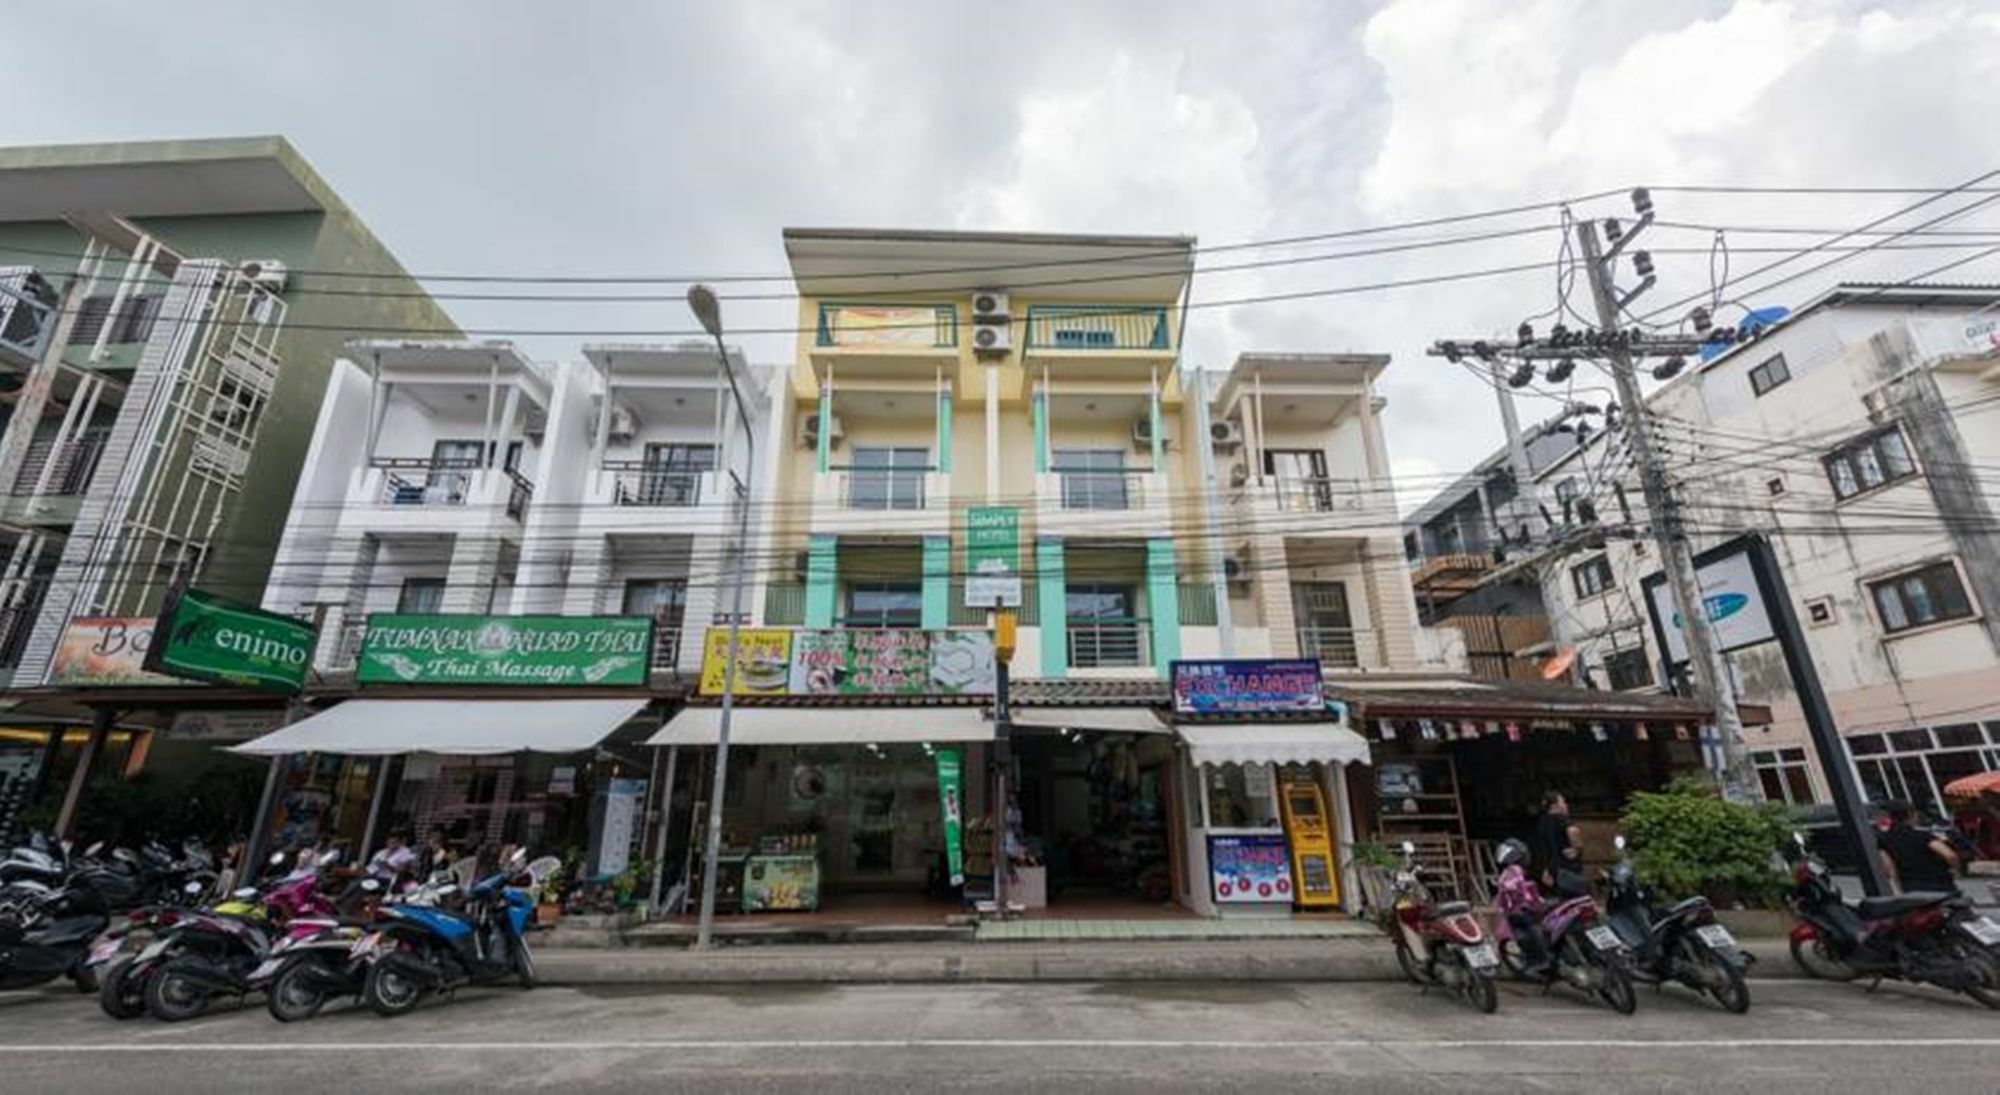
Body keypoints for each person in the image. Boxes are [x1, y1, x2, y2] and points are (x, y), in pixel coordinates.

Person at [1878, 800, 1960, 894]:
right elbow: (1950, 855)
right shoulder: (1923, 837)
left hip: (1911, 889)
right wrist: (1955, 869)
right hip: (1940, 886)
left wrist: (1900, 891)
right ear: (1910, 815)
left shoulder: (1884, 840)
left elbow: (1890, 869)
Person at [1533, 791, 1584, 896]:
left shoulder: (1542, 823)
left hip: (1552, 870)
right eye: (1563, 802)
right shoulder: (1562, 819)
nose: (1566, 805)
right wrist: (1577, 848)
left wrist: (1546, 869)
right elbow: (1573, 831)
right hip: (1568, 869)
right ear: (1555, 805)